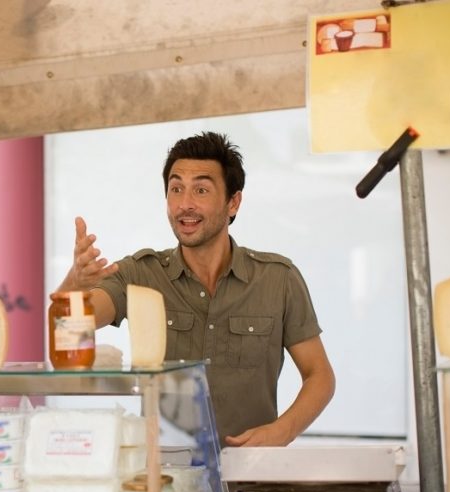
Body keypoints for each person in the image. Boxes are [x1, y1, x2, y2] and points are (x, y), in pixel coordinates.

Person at [57, 131, 335, 447]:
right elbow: (71, 331)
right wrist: (74, 284)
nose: (185, 205)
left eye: (201, 190)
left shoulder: (278, 279)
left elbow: (320, 375)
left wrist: (280, 432)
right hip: (165, 479)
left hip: (249, 475)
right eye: (176, 189)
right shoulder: (139, 273)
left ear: (233, 202)